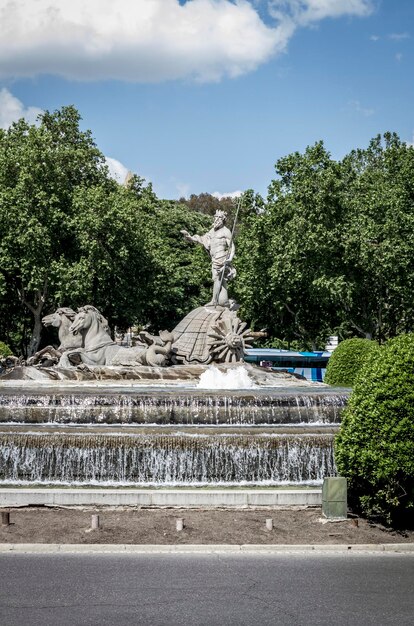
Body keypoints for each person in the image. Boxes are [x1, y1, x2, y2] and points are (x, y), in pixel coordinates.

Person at [181, 210, 236, 307]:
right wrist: (189, 237)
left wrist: (230, 258)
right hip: (214, 259)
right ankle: (224, 301)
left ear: (222, 220)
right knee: (219, 279)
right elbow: (202, 238)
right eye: (215, 218)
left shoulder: (226, 231)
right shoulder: (212, 231)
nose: (215, 220)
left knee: (217, 278)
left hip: (221, 258)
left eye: (217, 218)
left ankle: (214, 301)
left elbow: (231, 246)